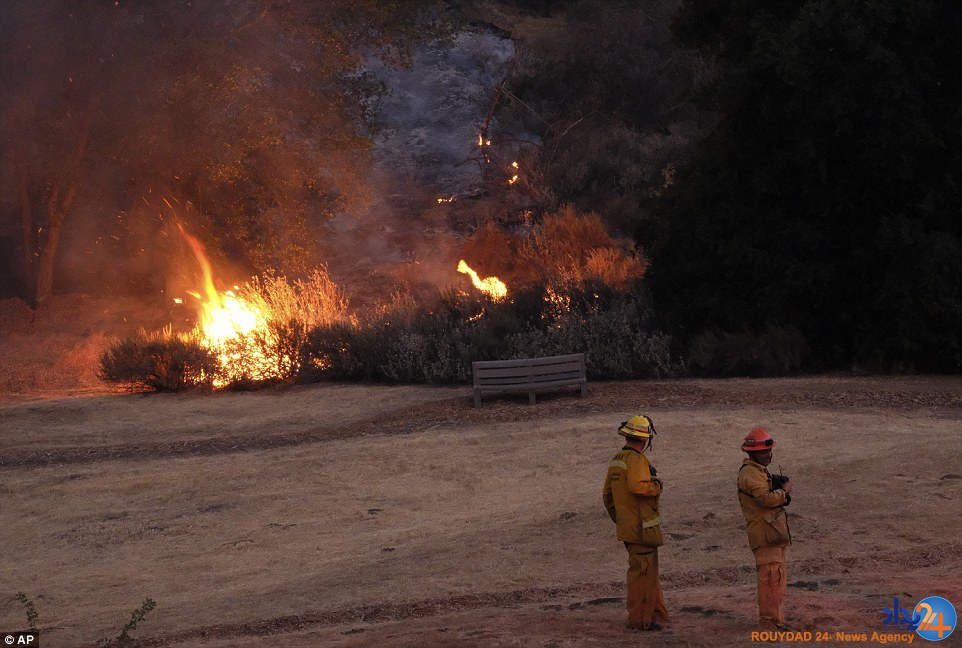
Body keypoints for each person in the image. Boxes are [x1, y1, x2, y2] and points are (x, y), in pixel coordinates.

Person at [603, 415, 670, 631]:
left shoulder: (616, 460)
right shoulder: (637, 460)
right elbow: (638, 486)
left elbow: (607, 497)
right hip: (642, 529)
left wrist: (621, 519)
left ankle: (657, 614)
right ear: (645, 440)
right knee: (642, 574)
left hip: (628, 528)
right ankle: (641, 620)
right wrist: (657, 484)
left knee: (649, 572)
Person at [737, 427, 793, 630]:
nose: (768, 455)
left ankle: (776, 621)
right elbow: (764, 499)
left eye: (769, 451)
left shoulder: (758, 472)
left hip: (771, 534)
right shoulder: (750, 474)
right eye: (763, 451)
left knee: (776, 580)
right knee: (770, 580)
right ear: (751, 453)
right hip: (765, 536)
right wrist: (783, 492)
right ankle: (770, 624)